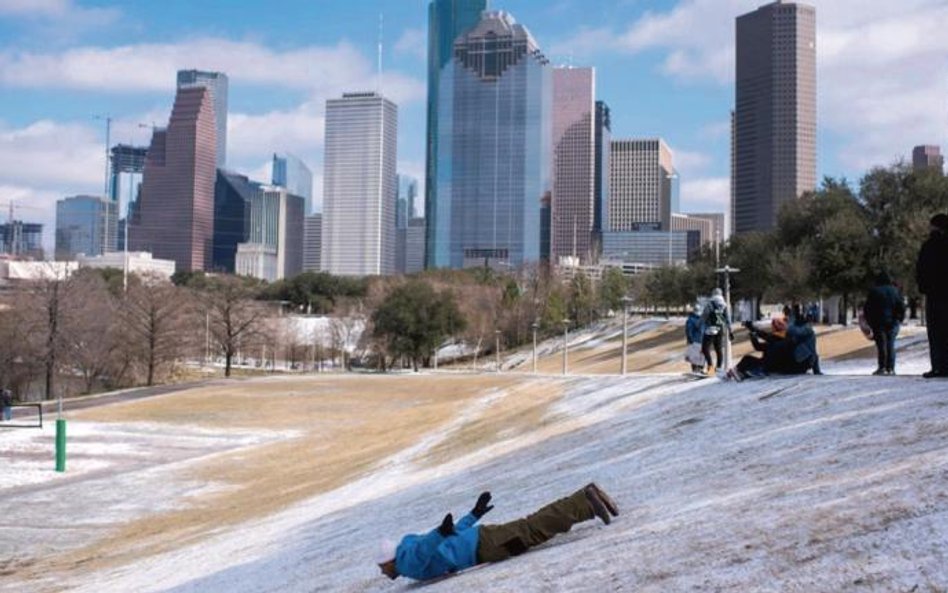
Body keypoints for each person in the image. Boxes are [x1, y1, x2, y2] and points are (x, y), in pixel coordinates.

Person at [376, 483, 619, 582]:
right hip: (481, 539)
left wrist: (440, 532)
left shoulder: (407, 563)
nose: (382, 571)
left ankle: (586, 502)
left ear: (390, 561)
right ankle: (590, 499)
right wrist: (475, 513)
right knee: (531, 528)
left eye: (382, 566)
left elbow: (424, 548)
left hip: (485, 546)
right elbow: (450, 534)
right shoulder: (413, 552)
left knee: (533, 529)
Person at [917, 213, 948, 378]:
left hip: (934, 295)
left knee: (935, 333)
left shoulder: (928, 246)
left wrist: (924, 288)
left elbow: (920, 270)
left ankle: (937, 366)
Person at [863, 271, 906, 375]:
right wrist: (899, 319)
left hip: (878, 322)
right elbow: (901, 307)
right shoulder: (895, 291)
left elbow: (868, 308)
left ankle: (882, 367)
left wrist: (870, 322)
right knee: (890, 344)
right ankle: (891, 368)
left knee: (881, 345)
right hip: (892, 322)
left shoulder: (874, 292)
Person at [700, 288, 733, 375]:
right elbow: (728, 319)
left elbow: (704, 315)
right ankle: (718, 368)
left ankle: (710, 369)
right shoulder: (725, 305)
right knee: (718, 349)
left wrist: (700, 324)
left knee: (705, 348)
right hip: (720, 329)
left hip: (711, 329)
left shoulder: (710, 304)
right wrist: (730, 330)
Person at [685, 303, 705, 374]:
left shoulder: (702, 319)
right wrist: (690, 339)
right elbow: (689, 329)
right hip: (694, 341)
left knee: (702, 356)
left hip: (701, 340)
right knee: (694, 356)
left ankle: (700, 369)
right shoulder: (691, 319)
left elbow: (704, 329)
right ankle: (695, 370)